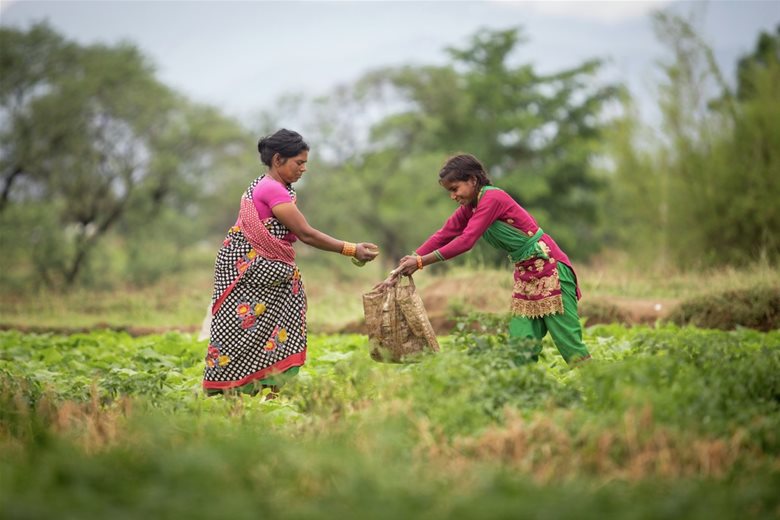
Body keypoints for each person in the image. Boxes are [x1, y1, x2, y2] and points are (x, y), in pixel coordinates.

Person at [202, 129, 379, 397]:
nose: (304, 169)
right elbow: (307, 234)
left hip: (256, 272)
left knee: (258, 333)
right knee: (242, 333)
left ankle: (262, 392)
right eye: (299, 162)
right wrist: (352, 249)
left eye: (305, 162)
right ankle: (242, 391)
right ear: (278, 160)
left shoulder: (270, 186)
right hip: (249, 271)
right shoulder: (272, 189)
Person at [384, 153, 591, 366]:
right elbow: (444, 234)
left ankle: (604, 392)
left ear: (473, 180)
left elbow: (466, 241)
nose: (453, 196)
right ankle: (525, 396)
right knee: (520, 349)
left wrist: (420, 263)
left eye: (455, 189)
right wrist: (407, 263)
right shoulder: (469, 209)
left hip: (550, 268)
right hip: (526, 276)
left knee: (570, 347)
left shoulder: (493, 198)